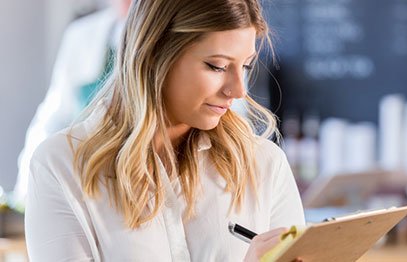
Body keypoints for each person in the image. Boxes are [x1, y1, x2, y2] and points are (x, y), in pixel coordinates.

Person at [25, 0, 305, 261]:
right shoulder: (61, 166)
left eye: (245, 66)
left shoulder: (265, 164)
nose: (238, 90)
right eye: (217, 66)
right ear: (155, 54)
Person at [12, 0, 132, 206]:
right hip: (80, 175)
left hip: (128, 177)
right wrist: (26, 189)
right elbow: (54, 116)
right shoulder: (82, 35)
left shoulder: (164, 35)